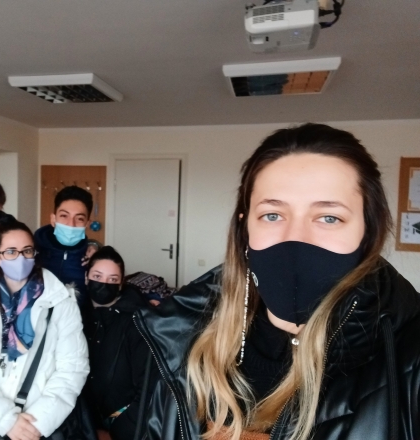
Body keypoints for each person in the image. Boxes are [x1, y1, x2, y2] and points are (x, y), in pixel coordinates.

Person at [136, 123, 420, 440]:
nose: (295, 238)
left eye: (329, 217)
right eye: (272, 215)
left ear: (367, 232)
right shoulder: (181, 338)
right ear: (245, 228)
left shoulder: (409, 356)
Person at [0, 215, 89, 440]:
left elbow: (72, 369)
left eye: (27, 251)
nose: (20, 258)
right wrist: (4, 420)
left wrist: (36, 425)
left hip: (37, 429)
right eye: (11, 252)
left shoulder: (60, 300)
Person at [81, 246, 155, 440]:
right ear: (86, 278)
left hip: (124, 424)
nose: (104, 284)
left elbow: (147, 388)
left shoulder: (136, 322)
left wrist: (118, 432)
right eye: (97, 276)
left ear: (121, 284)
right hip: (84, 421)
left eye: (112, 279)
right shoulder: (75, 316)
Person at [34, 185, 99, 308]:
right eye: (64, 216)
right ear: (53, 219)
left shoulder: (93, 259)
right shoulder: (30, 250)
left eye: (79, 218)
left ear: (87, 224)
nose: (71, 224)